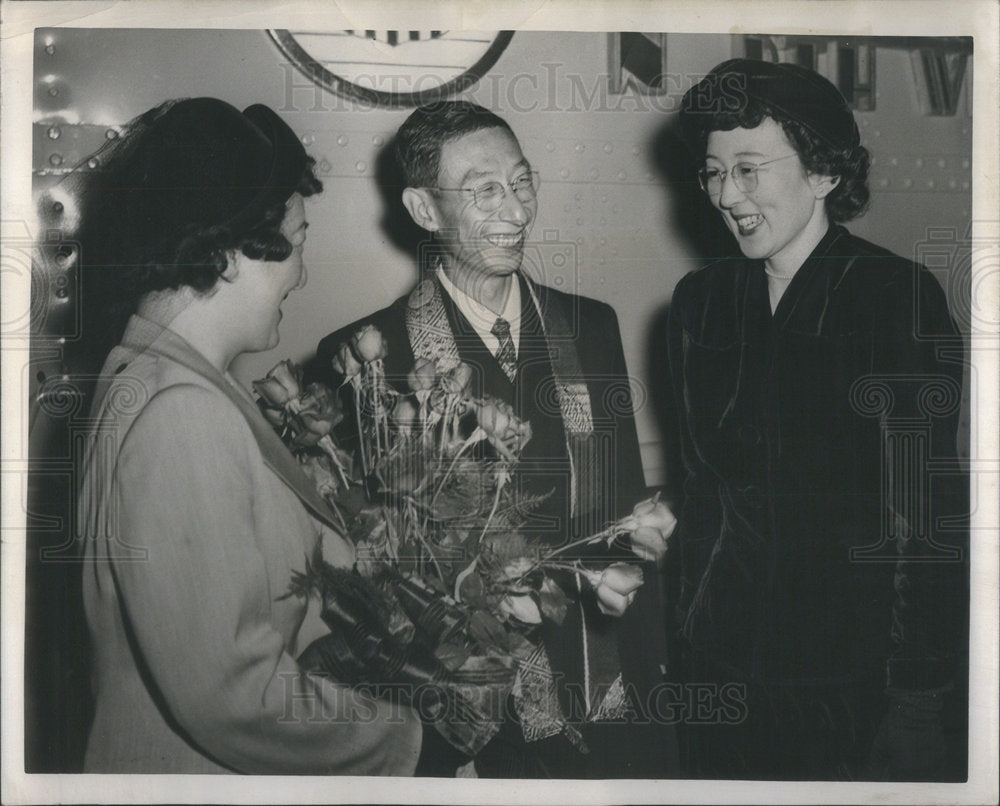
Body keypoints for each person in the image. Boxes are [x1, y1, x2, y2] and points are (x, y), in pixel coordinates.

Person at [309, 101, 676, 778]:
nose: (517, 211)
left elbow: (624, 516)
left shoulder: (590, 327)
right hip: (467, 712)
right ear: (424, 210)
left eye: (522, 182)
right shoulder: (368, 357)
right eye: (485, 191)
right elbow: (368, 570)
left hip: (608, 684)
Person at [72, 97, 424, 773]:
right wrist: (404, 737)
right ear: (230, 249)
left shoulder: (163, 380)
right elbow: (234, 695)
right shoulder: (181, 415)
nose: (302, 271)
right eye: (297, 238)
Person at [669, 59, 968, 780]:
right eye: (713, 173)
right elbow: (702, 494)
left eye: (748, 170)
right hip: (713, 665)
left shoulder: (892, 295)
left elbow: (921, 515)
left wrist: (919, 697)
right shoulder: (699, 300)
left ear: (825, 172)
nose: (725, 195)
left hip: (843, 680)